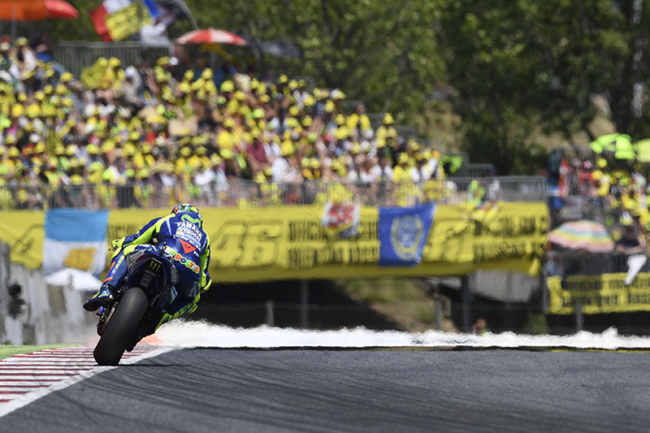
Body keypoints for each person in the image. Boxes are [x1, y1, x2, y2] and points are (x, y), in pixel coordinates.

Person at [83, 203, 212, 333]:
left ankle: (107, 290)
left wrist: (118, 243)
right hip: (190, 269)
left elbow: (137, 239)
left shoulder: (166, 220)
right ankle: (162, 316)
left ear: (176, 212)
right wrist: (201, 287)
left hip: (164, 253)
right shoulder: (205, 237)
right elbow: (204, 280)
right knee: (191, 301)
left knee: (125, 251)